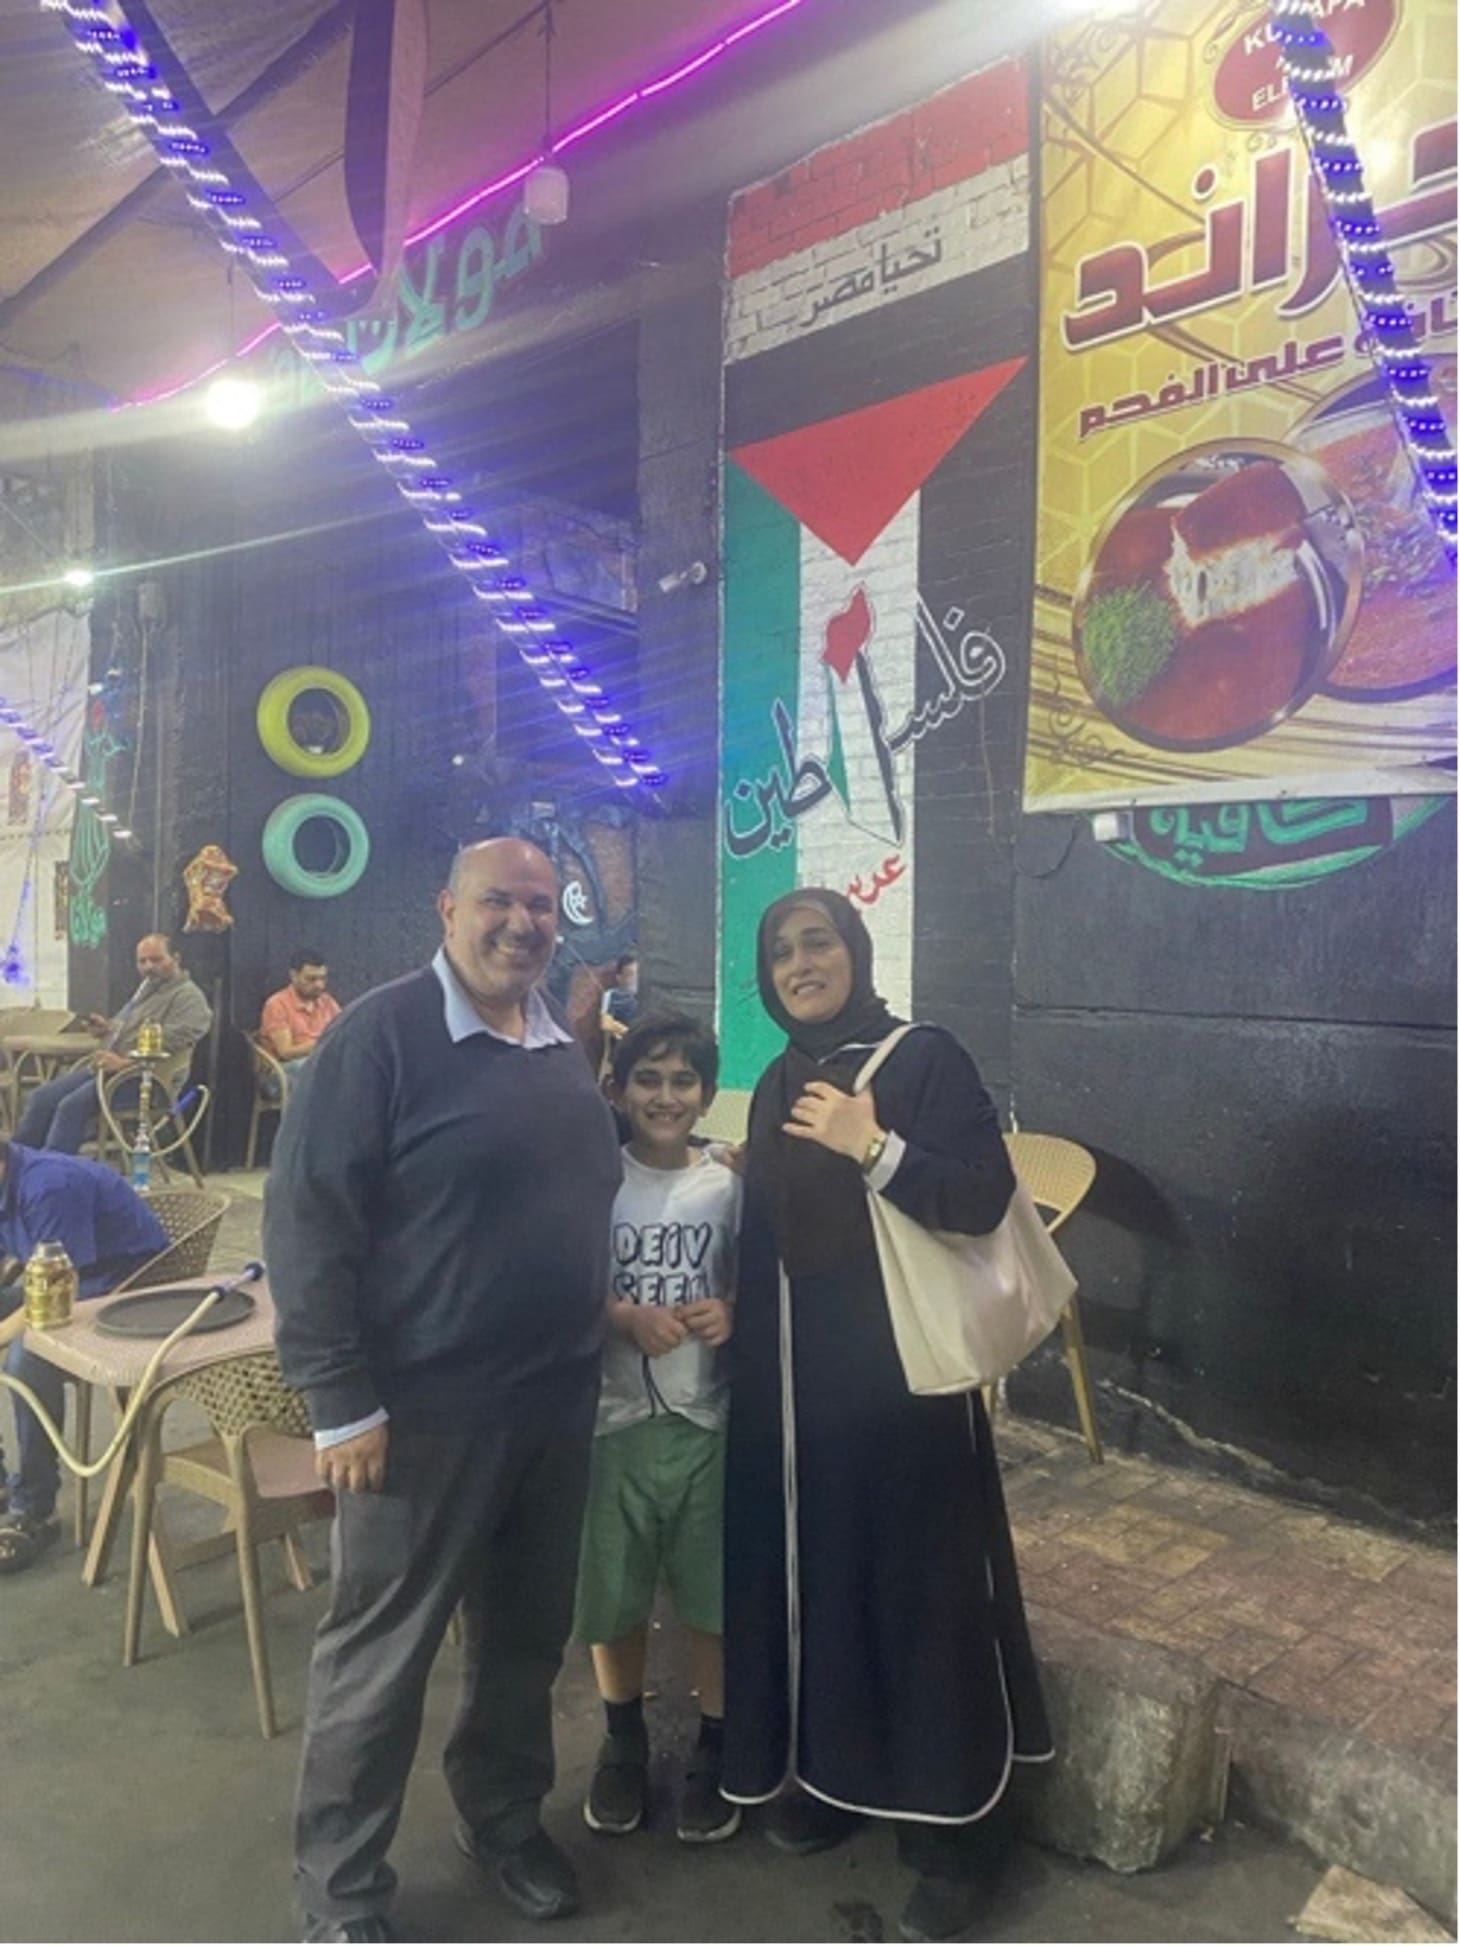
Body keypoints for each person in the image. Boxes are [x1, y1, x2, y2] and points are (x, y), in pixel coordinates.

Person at [265, 838, 623, 1945]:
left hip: (554, 1405)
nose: (520, 920)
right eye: (495, 901)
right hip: (420, 1417)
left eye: (537, 903)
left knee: (522, 1639)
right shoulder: (379, 1037)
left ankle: (501, 1818)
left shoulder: (559, 1040)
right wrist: (340, 1400)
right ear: (445, 906)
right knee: (379, 1660)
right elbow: (306, 1223)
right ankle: (340, 1890)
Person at [721, 890, 1053, 1945]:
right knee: (822, 1579)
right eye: (779, 949)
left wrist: (875, 1148)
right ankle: (836, 1772)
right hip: (798, 1391)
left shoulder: (922, 1058)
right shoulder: (778, 1074)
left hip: (902, 1385)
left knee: (920, 1590)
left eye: (817, 940)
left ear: (855, 950)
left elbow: (980, 1196)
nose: (798, 961)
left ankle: (956, 1833)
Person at [574, 1012, 741, 1845]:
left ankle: (715, 1744)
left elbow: (755, 1280)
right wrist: (622, 1315)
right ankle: (621, 1740)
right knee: (614, 1596)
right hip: (613, 1426)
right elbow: (567, 1281)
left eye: (683, 1082)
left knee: (712, 1596)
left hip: (706, 1420)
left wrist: (731, 1310)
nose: (665, 1096)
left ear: (706, 1094)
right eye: (648, 1078)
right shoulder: (594, 1180)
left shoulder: (728, 1184)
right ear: (617, 1088)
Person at [0, 1139, 167, 1573]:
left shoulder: (47, 1188)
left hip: (127, 1288)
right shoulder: (9, 1180)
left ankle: (34, 1507)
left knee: (24, 1359)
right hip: (71, 1277)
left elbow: (56, 1296)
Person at [16, 933, 212, 1154]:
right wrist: (107, 1028)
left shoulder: (188, 997)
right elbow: (126, 1027)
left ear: (176, 958)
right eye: (142, 961)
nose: (148, 967)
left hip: (145, 1080)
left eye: (156, 960)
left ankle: (55, 1174)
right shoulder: (146, 990)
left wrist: (126, 1063)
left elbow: (176, 1038)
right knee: (41, 1098)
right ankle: (15, 1166)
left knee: (70, 1107)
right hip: (109, 1071)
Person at [259, 950, 341, 1076]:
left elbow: (343, 1032)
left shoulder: (327, 1001)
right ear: (294, 975)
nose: (319, 985)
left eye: (323, 978)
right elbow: (285, 1052)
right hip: (284, 1070)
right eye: (311, 979)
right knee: (307, 1066)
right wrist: (322, 1043)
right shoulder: (277, 1004)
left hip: (322, 1062)